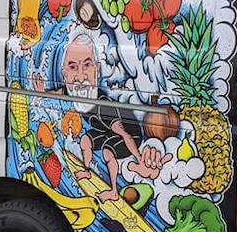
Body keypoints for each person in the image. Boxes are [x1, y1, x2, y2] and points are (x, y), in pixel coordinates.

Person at [33, 32, 171, 202]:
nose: (81, 76)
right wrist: (43, 93)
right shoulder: (76, 91)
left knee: (107, 151)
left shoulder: (102, 107)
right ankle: (87, 170)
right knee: (86, 141)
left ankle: (113, 191)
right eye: (73, 67)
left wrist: (139, 158)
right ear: (65, 73)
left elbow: (125, 134)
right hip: (106, 133)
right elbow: (61, 91)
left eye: (87, 66)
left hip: (129, 134)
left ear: (97, 70)